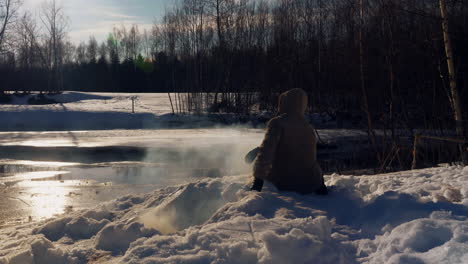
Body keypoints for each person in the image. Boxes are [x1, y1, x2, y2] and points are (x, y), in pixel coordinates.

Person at [249, 88, 327, 195]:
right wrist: (319, 182)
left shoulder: (277, 123)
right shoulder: (308, 127)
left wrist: (258, 180)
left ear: (284, 103)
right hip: (308, 184)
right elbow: (310, 159)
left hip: (284, 183)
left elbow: (266, 153)